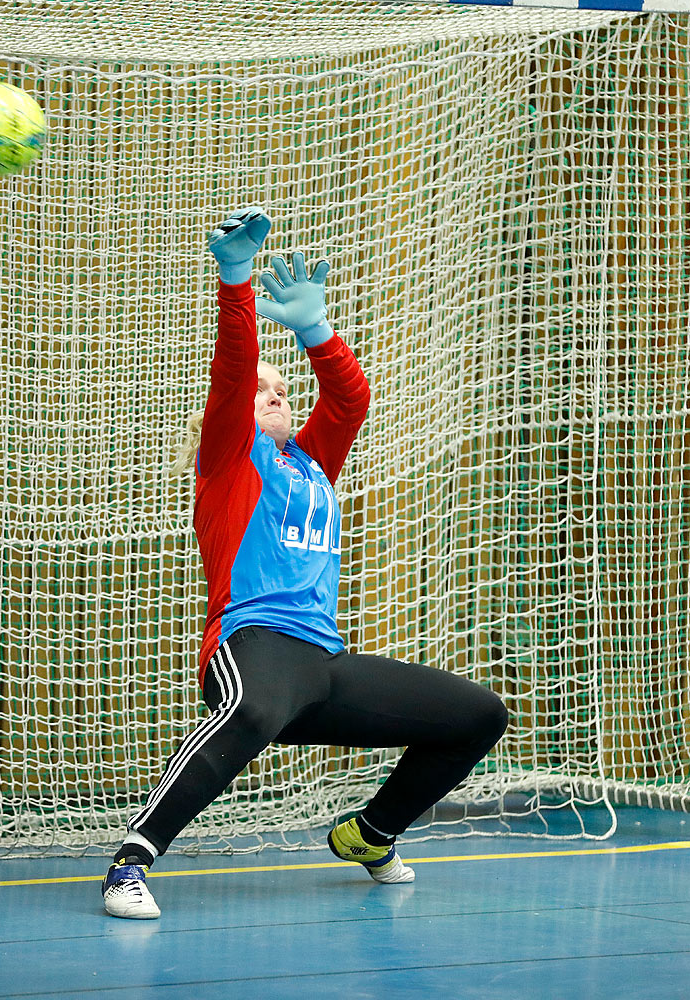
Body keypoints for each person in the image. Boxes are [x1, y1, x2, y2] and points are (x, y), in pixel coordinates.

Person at [101, 208, 509, 919]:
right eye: (267, 392)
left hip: (323, 661)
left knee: (477, 716)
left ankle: (371, 832)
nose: (277, 395)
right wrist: (237, 281)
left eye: (283, 389)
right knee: (252, 710)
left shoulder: (311, 462)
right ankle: (131, 862)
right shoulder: (229, 461)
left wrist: (317, 333)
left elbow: (351, 401)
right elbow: (233, 371)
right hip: (253, 645)